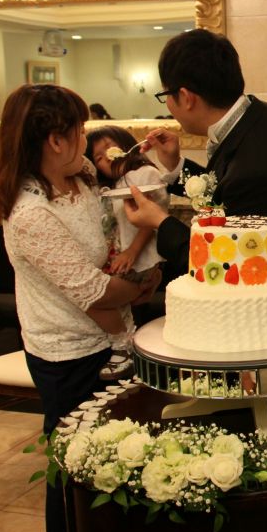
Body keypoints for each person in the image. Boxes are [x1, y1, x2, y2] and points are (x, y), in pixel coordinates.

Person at [0, 84, 159, 532]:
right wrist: (139, 286)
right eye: (78, 131)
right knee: (72, 471)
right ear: (54, 140)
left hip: (114, 337)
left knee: (115, 462)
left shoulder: (78, 173)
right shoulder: (30, 214)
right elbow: (94, 292)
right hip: (70, 356)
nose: (86, 139)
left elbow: (119, 183)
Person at [121, 29, 267, 304]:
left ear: (186, 97)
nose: (169, 107)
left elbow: (223, 261)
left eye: (166, 96)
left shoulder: (253, 168)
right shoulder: (263, 119)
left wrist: (159, 221)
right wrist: (175, 165)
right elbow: (224, 193)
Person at [85, 124, 169, 378]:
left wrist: (132, 251)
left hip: (141, 259)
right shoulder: (111, 187)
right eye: (98, 158)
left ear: (125, 145)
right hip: (122, 259)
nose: (106, 157)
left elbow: (151, 219)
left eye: (109, 148)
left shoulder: (143, 174)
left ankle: (124, 346)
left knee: (93, 298)